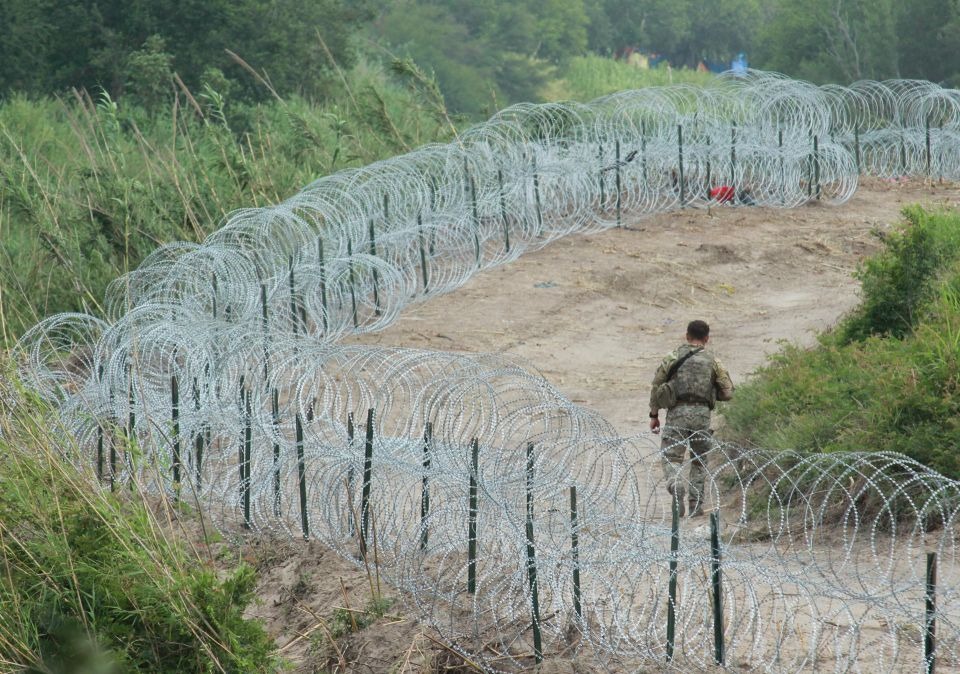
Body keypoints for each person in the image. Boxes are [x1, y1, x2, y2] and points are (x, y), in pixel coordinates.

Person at [649, 320, 734, 517]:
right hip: (702, 415)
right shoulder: (714, 361)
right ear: (707, 338)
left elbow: (656, 387)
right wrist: (712, 392)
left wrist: (654, 415)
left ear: (686, 336)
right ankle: (696, 504)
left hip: (677, 413)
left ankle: (676, 483)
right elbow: (728, 392)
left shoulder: (672, 357)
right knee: (699, 460)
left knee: (672, 456)